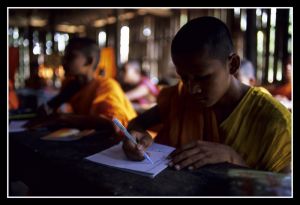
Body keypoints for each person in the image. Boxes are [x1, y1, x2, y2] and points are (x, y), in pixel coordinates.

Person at [122, 16, 291, 173]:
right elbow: (137, 123)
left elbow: (283, 189)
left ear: (232, 65)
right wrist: (135, 137)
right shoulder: (182, 97)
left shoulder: (275, 122)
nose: (192, 88)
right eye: (184, 77)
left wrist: (233, 158)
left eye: (202, 78)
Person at [27, 37, 136, 131]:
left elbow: (114, 124)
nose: (63, 62)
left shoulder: (107, 86)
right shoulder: (72, 84)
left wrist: (63, 118)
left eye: (70, 57)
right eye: (64, 57)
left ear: (88, 61)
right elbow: (50, 107)